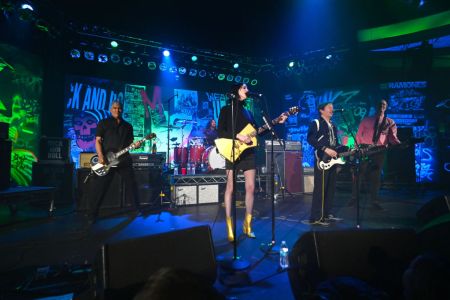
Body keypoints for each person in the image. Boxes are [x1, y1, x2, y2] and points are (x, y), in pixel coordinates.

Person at [217, 83, 287, 242]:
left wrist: (276, 122)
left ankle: (248, 225)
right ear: (236, 91)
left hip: (248, 153)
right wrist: (237, 135)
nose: (247, 90)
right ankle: (229, 226)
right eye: (244, 88)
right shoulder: (226, 110)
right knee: (231, 188)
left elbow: (258, 132)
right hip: (233, 151)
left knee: (251, 188)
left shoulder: (248, 112)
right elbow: (221, 131)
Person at [87, 101, 142, 223]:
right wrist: (101, 156)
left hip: (124, 160)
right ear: (111, 109)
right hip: (107, 161)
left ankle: (136, 209)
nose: (117, 110)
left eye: (119, 108)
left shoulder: (128, 126)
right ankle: (92, 215)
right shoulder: (103, 123)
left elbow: (130, 144)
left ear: (122, 110)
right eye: (115, 108)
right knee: (100, 188)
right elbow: (98, 141)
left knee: (132, 185)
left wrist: (136, 145)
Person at [349, 99, 401, 210]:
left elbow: (393, 138)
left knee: (376, 176)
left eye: (384, 104)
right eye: (380, 104)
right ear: (376, 106)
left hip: (380, 150)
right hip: (365, 149)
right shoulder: (367, 120)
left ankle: (374, 201)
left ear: (386, 107)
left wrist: (400, 144)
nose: (381, 106)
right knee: (359, 174)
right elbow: (358, 135)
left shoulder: (390, 122)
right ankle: (354, 198)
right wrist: (356, 148)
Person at [306, 102, 348, 226]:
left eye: (332, 107)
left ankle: (326, 214)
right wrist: (325, 148)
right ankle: (316, 217)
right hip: (322, 158)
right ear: (321, 110)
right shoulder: (316, 123)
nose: (332, 109)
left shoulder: (333, 126)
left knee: (330, 187)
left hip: (332, 161)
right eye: (329, 107)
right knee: (321, 187)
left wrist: (343, 149)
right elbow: (310, 138)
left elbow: (334, 144)